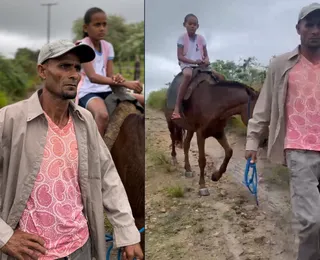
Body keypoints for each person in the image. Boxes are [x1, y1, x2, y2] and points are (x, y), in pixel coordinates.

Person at [0, 40, 143, 260]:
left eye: (77, 68)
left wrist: (127, 230)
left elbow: (107, 175)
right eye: (64, 66)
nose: (74, 74)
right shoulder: (9, 120)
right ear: (42, 71)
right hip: (31, 254)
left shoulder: (85, 121)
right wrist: (5, 236)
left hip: (80, 248)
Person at [245, 3, 320, 260]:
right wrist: (253, 140)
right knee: (312, 221)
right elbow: (264, 104)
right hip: (299, 148)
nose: (315, 30)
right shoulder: (281, 64)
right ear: (298, 28)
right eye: (309, 24)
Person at [76, 7, 144, 137]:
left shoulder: (108, 46)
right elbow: (93, 77)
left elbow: (109, 75)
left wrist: (118, 78)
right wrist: (126, 84)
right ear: (86, 28)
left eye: (104, 24)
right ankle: (95, 153)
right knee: (102, 115)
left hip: (107, 90)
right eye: (97, 24)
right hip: (89, 92)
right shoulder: (82, 47)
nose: (102, 28)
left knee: (143, 101)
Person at [171, 13, 210, 120]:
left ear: (198, 26)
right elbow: (180, 57)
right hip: (187, 64)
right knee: (188, 75)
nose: (193, 26)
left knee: (217, 76)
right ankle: (177, 108)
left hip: (200, 65)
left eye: (195, 24)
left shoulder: (201, 39)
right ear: (185, 24)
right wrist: (193, 62)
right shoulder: (181, 38)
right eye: (190, 24)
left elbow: (206, 56)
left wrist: (206, 61)